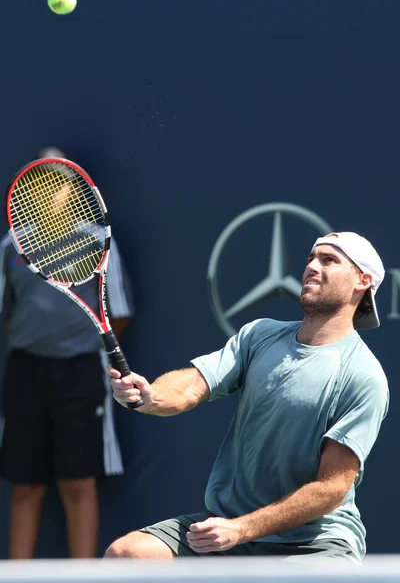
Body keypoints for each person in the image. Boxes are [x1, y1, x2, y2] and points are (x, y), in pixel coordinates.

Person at [105, 231, 389, 565]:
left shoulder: (363, 375)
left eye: (329, 260)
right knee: (126, 555)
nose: (312, 266)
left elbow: (330, 488)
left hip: (315, 543)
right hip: (228, 528)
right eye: (312, 258)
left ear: (362, 281)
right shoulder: (259, 335)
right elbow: (191, 386)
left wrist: (241, 529)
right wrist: (150, 396)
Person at [0, 147, 134, 559]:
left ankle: (83, 578)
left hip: (81, 375)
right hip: (26, 373)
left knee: (79, 484)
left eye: (59, 184)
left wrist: (80, 345)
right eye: (40, 185)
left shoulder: (97, 242)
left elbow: (120, 313)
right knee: (26, 485)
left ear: (73, 191)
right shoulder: (10, 246)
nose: (50, 192)